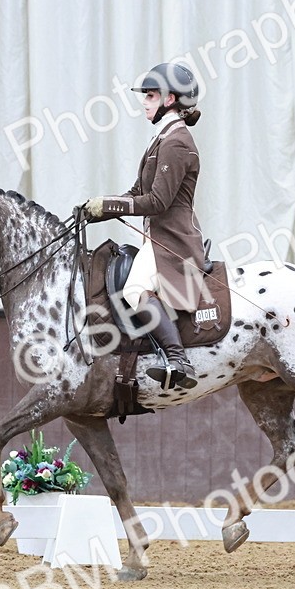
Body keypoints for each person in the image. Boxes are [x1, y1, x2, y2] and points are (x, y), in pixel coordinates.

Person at [79, 62, 206, 390]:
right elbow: (138, 193)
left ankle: (178, 360)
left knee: (134, 290)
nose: (144, 102)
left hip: (173, 240)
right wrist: (100, 208)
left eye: (150, 96)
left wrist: (110, 205)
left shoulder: (177, 141)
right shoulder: (162, 138)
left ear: (169, 100)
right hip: (158, 236)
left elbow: (158, 202)